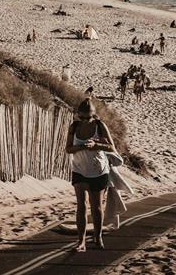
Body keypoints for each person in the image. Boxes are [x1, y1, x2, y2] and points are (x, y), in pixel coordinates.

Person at [65, 99, 116, 252]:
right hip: (79, 170)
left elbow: (111, 147)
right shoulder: (74, 127)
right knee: (81, 206)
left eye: (89, 117)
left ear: (94, 115)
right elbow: (68, 149)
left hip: (98, 171)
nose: (86, 120)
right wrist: (80, 147)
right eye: (83, 117)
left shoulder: (100, 126)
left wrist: (96, 145)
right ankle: (81, 241)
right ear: (78, 115)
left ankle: (98, 236)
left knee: (97, 207)